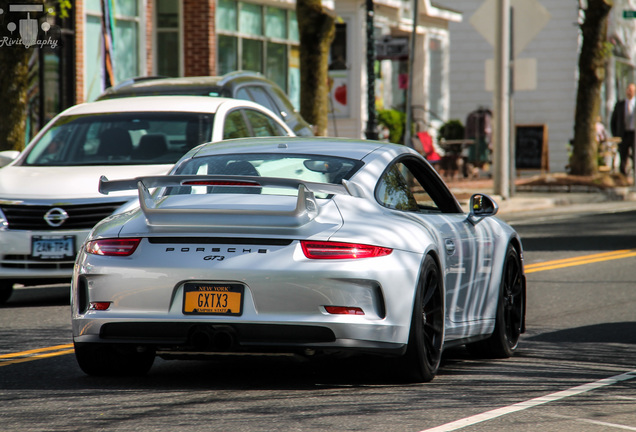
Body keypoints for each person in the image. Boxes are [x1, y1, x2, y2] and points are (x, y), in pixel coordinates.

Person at [610, 83, 636, 176]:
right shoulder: (620, 105)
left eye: (631, 90)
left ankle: (634, 176)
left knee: (634, 155)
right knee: (623, 155)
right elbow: (613, 121)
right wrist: (615, 134)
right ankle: (623, 176)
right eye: (628, 89)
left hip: (634, 133)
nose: (629, 91)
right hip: (624, 134)